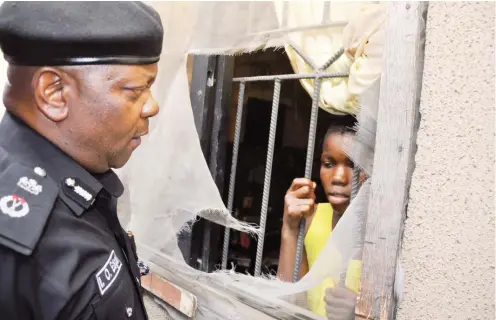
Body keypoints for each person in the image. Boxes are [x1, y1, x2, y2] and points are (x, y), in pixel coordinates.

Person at [0, 2, 163, 319]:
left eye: (150, 87)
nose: (152, 106)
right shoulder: (19, 243)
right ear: (54, 92)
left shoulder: (76, 176)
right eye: (134, 90)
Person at [277, 119, 365, 319]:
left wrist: (360, 310)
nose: (339, 177)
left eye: (354, 166)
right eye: (329, 164)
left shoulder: (380, 237)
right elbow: (289, 303)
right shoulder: (312, 217)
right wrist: (289, 228)